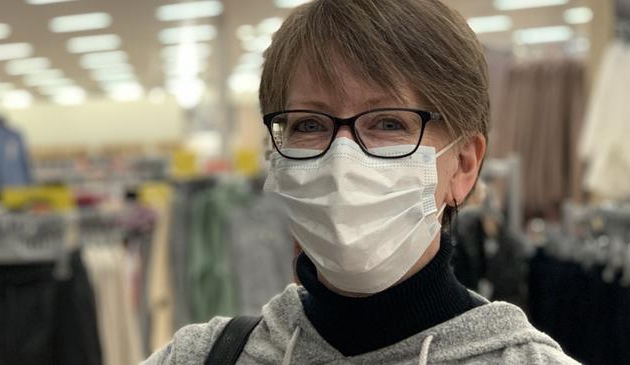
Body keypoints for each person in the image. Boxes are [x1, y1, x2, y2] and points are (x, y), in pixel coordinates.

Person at [144, 0, 579, 364]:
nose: (341, 158)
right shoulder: (200, 356)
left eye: (389, 122)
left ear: (464, 165)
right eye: (309, 124)